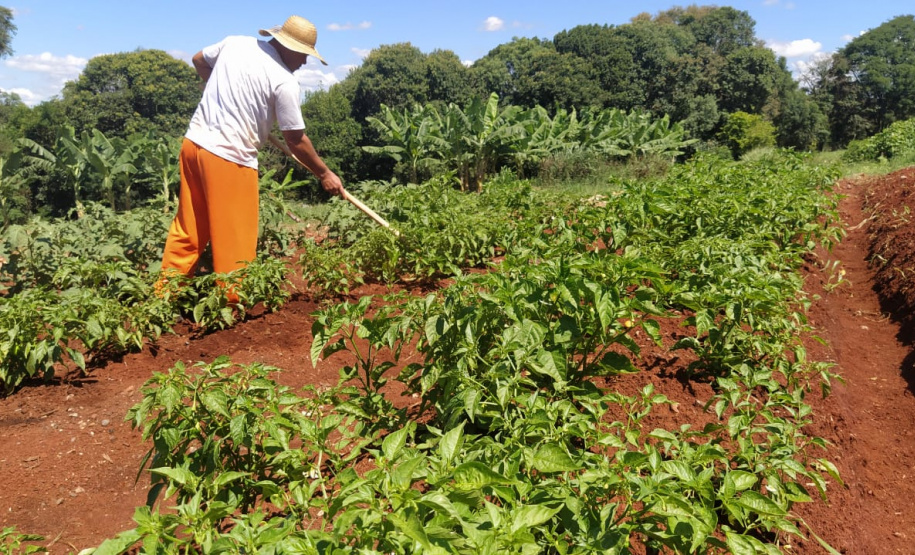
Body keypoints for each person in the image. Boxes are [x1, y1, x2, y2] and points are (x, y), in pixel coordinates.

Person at [158, 15, 343, 299]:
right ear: (289, 47)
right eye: (304, 55)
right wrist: (325, 174)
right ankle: (231, 305)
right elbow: (295, 140)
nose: (305, 62)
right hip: (229, 159)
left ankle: (165, 297)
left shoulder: (235, 44)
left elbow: (198, 60)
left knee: (188, 228)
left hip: (193, 145)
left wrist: (222, 95)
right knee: (234, 238)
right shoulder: (284, 82)